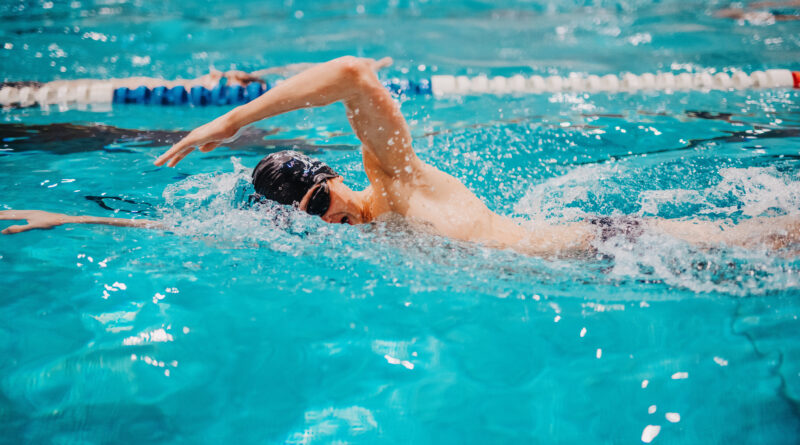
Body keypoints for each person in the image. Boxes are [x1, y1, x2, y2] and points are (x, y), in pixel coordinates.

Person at [2, 56, 799, 257]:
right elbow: (197, 236)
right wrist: (64, 217)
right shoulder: (352, 229)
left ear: (332, 177)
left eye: (321, 198)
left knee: (769, 237)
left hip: (606, 245)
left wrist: (230, 121)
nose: (329, 216)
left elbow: (353, 74)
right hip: (591, 261)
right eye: (311, 216)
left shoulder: (392, 180)